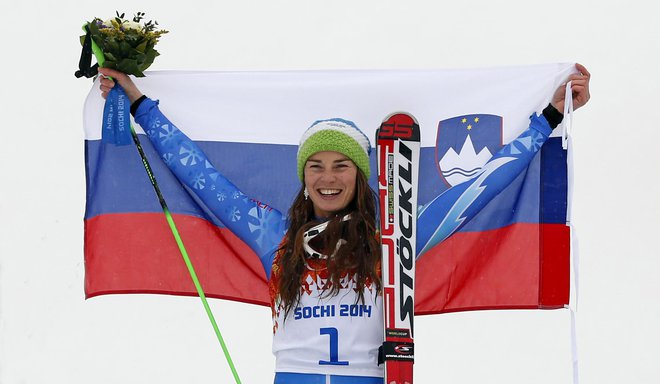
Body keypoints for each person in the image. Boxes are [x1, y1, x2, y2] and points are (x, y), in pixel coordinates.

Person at [98, 64, 590, 384]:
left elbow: (477, 189)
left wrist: (546, 118)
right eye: (316, 166)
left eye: (342, 166)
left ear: (361, 176)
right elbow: (200, 174)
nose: (328, 178)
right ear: (303, 176)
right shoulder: (274, 236)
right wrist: (140, 104)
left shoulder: (394, 239)